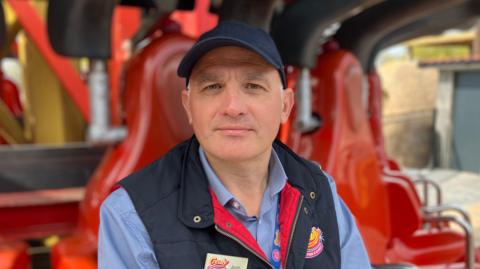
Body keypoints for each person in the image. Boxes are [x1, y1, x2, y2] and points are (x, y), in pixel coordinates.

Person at [98, 20, 371, 269]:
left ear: (286, 106)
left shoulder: (320, 190)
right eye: (212, 87)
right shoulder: (132, 215)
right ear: (189, 107)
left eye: (253, 86)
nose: (233, 107)